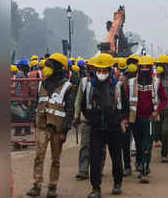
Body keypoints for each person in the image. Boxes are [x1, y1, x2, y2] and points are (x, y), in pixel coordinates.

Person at [26, 53, 76, 198]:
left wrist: (65, 130)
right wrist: (33, 120)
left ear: (58, 67)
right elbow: (36, 103)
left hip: (57, 130)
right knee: (39, 156)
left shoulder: (68, 87)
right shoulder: (42, 83)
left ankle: (52, 186)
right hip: (42, 126)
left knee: (55, 159)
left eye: (50, 65)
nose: (46, 68)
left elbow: (70, 110)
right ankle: (37, 185)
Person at [80, 53, 128, 198]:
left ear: (109, 70)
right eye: (98, 70)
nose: (101, 73)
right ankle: (95, 188)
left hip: (113, 128)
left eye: (104, 70)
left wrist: (119, 119)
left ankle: (117, 183)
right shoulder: (90, 87)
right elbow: (84, 106)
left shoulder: (118, 86)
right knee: (95, 159)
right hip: (96, 129)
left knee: (116, 158)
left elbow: (125, 107)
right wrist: (91, 118)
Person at [125, 55, 167, 183]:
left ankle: (144, 170)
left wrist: (157, 111)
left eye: (146, 67)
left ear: (151, 68)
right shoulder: (131, 83)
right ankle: (139, 161)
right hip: (135, 119)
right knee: (138, 144)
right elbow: (125, 100)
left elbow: (164, 100)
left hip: (149, 119)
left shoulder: (156, 82)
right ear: (138, 68)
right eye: (141, 67)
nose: (144, 69)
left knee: (147, 144)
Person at [73, 58, 106, 181]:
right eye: (89, 68)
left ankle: (99, 168)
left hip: (101, 119)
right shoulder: (83, 81)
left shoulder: (104, 81)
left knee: (101, 147)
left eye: (93, 67)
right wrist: (76, 116)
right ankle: (83, 170)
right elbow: (78, 100)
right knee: (85, 145)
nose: (91, 70)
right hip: (86, 119)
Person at [153, 55, 168, 162]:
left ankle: (164, 154)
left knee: (165, 131)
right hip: (156, 110)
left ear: (167, 66)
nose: (160, 66)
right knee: (157, 132)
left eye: (162, 64)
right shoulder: (154, 77)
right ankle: (165, 143)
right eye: (159, 64)